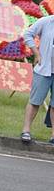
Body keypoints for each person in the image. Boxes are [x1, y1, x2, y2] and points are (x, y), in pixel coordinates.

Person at [20, 13, 54, 143]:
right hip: (43, 69)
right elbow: (28, 34)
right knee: (35, 101)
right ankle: (26, 130)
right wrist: (36, 53)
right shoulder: (46, 22)